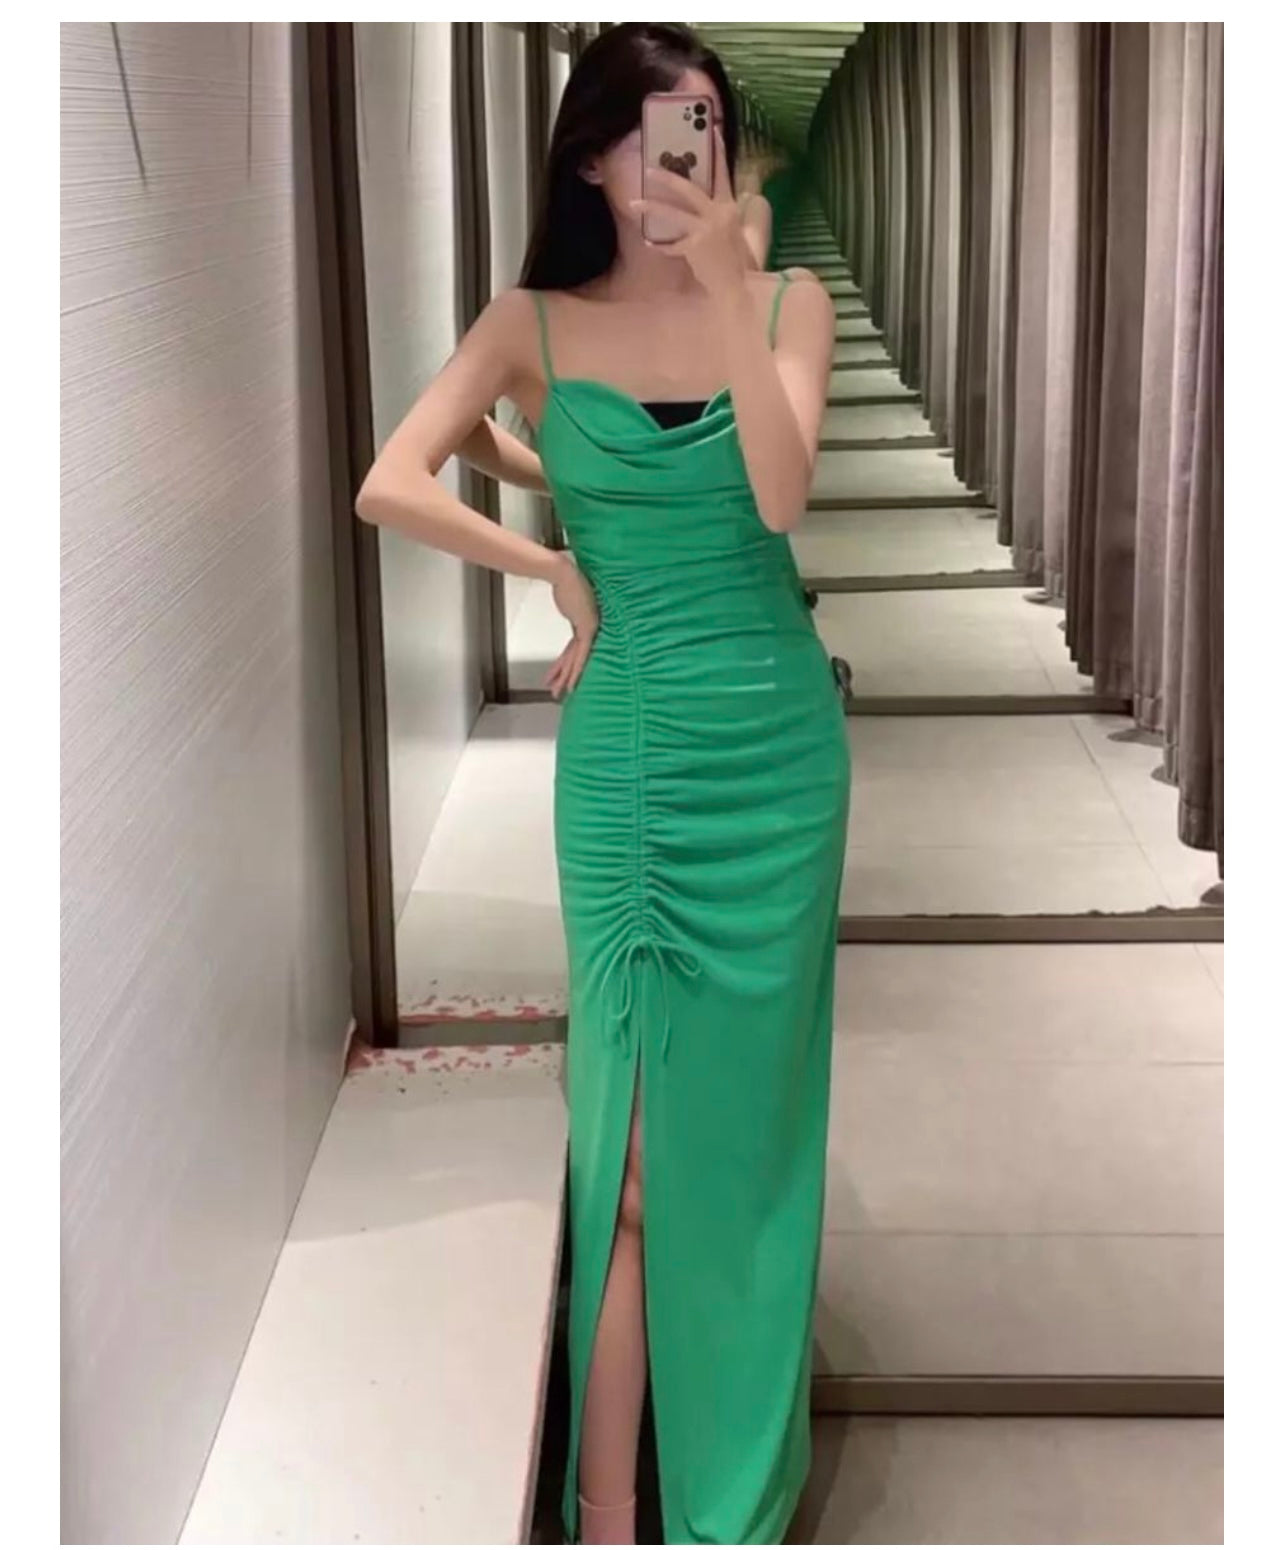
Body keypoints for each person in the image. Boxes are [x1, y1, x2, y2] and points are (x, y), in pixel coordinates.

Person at [356, 22, 850, 1546]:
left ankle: (726, 1479)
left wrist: (727, 286)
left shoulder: (790, 302)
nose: (694, 157)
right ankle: (612, 1506)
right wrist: (554, 569)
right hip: (631, 759)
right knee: (629, 1152)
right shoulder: (532, 323)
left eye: (711, 127)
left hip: (776, 755)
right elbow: (390, 480)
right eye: (662, 130)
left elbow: (780, 494)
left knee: (743, 1137)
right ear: (590, 156)